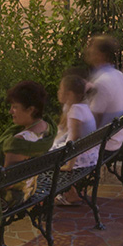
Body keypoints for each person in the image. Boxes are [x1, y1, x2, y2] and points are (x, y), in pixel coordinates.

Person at [0, 81, 54, 208]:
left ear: (31, 109)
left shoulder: (18, 143)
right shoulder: (46, 128)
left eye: (15, 107)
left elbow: (7, 183)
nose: (11, 111)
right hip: (30, 188)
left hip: (10, 199)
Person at [51, 69, 99, 206]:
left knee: (44, 157)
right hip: (90, 154)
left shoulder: (75, 111)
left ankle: (69, 193)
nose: (58, 92)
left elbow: (73, 141)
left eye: (60, 89)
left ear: (69, 94)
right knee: (50, 148)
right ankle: (68, 192)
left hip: (83, 158)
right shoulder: (82, 106)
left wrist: (69, 166)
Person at [84, 35, 123, 153]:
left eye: (92, 48)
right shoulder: (119, 75)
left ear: (101, 55)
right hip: (115, 139)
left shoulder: (103, 82)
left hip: (104, 145)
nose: (88, 51)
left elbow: (91, 122)